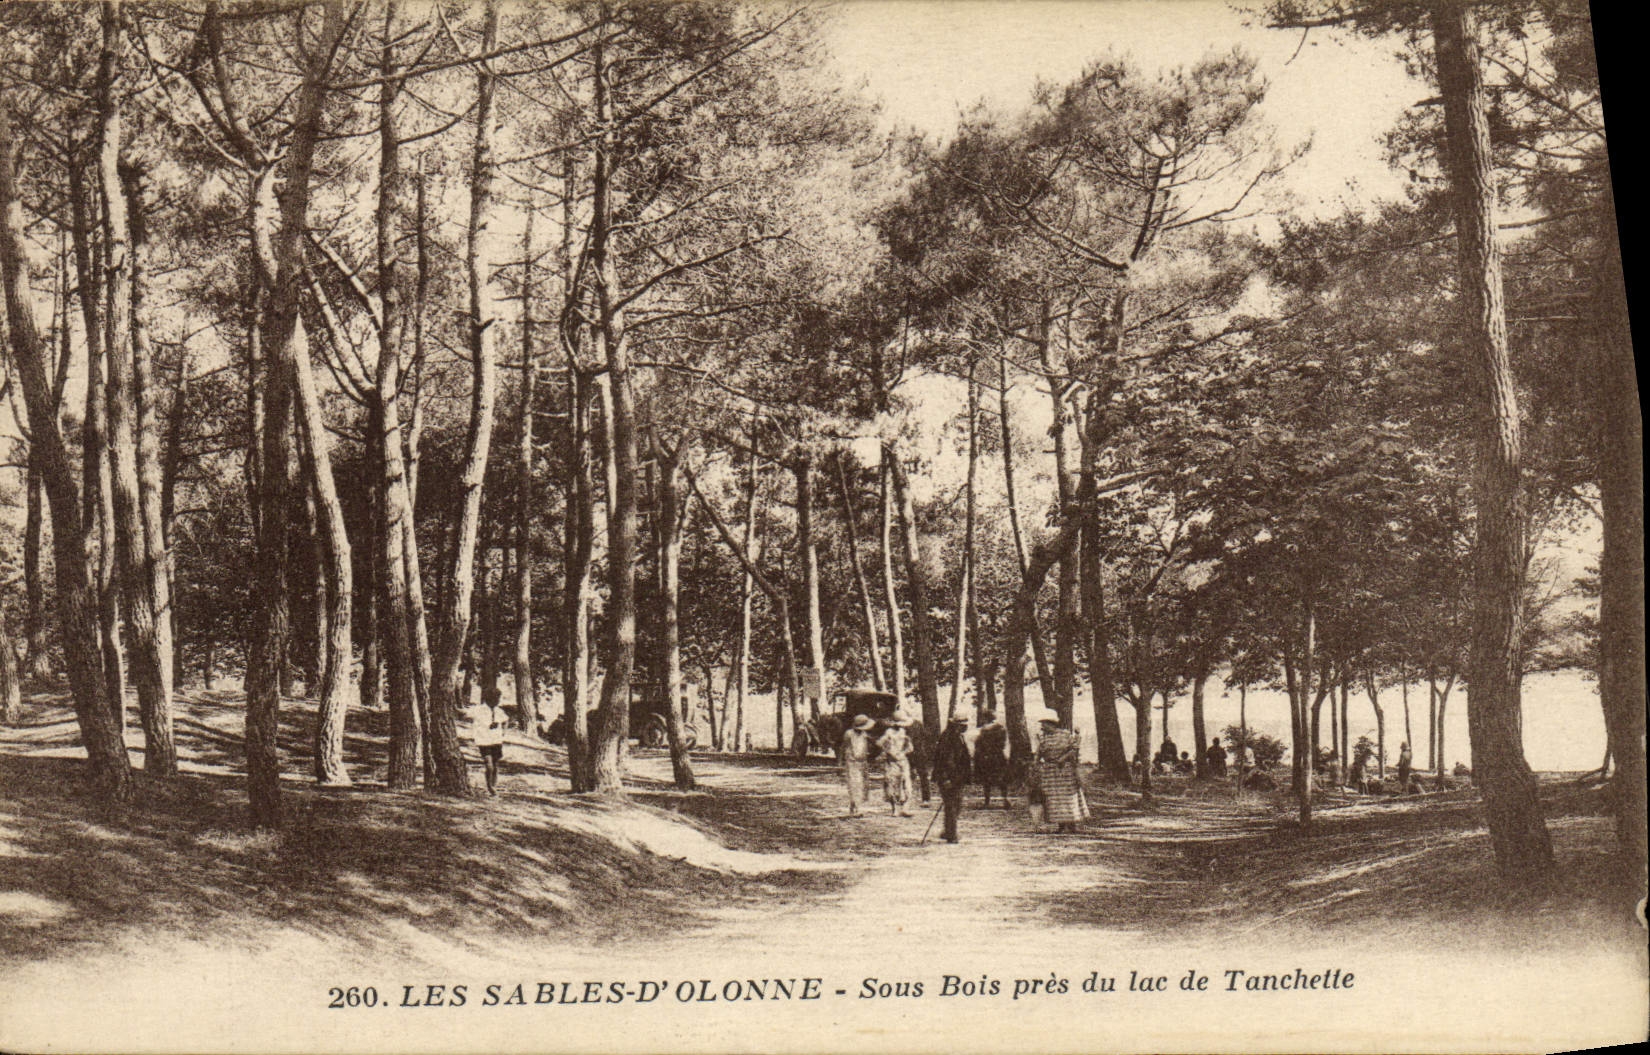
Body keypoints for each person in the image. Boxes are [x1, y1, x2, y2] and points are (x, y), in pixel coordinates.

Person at [1034, 718, 1089, 833]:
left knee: (1068, 797)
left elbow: (1074, 749)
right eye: (1042, 724)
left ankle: (1072, 824)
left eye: (1044, 724)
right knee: (1054, 798)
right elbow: (1039, 753)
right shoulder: (1042, 737)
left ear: (1051, 724)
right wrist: (1036, 764)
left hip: (1065, 771)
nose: (1042, 727)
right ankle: (1061, 825)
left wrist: (1062, 759)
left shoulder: (1065, 735)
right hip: (1050, 771)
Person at [933, 716, 973, 844]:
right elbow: (943, 760)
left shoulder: (957, 736)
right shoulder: (948, 738)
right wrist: (946, 778)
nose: (965, 726)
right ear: (956, 725)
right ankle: (952, 834)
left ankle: (948, 831)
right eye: (962, 724)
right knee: (952, 805)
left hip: (957, 777)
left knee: (955, 804)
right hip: (950, 777)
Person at [469, 697, 508, 796]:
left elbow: (506, 720)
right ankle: (489, 786)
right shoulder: (479, 710)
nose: (497, 701)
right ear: (488, 700)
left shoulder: (499, 711)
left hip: (496, 740)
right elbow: (466, 714)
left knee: (495, 764)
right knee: (488, 764)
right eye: (495, 699)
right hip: (484, 740)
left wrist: (503, 731)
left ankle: (493, 786)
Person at [878, 717, 916, 817]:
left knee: (906, 783)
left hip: (903, 760)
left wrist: (904, 750)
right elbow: (880, 744)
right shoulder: (888, 732)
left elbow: (909, 747)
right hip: (892, 762)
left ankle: (905, 808)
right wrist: (889, 751)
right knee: (892, 783)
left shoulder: (903, 732)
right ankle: (894, 808)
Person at [973, 710, 1010, 808]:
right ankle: (1005, 800)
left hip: (987, 757)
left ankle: (987, 801)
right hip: (998, 756)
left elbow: (979, 744)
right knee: (1001, 779)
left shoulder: (983, 730)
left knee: (987, 780)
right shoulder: (1001, 728)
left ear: (986, 718)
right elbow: (1003, 743)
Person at [840, 714, 875, 816]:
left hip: (862, 762)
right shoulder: (849, 734)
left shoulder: (864, 734)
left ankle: (853, 806)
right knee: (855, 784)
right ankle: (857, 808)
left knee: (862, 785)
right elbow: (843, 747)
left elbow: (870, 743)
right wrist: (840, 762)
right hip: (852, 762)